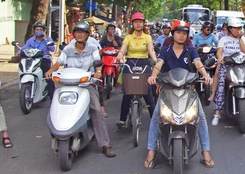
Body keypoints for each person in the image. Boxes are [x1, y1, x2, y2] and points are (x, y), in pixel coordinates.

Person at [144, 24, 214, 168]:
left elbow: (198, 63)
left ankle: (205, 151)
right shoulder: (166, 50)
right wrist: (153, 76)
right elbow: (158, 63)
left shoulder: (191, 50)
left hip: (188, 89)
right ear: (173, 34)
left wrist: (206, 75)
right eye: (179, 33)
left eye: (184, 33)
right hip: (167, 89)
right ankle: (151, 151)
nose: (181, 36)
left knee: (200, 117)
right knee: (156, 116)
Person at [45, 21, 116, 157]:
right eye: (77, 32)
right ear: (74, 34)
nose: (79, 34)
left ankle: (105, 144)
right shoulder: (69, 48)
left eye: (82, 32)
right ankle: (58, 131)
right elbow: (59, 62)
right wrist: (50, 71)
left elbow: (97, 62)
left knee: (96, 109)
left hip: (86, 83)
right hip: (67, 83)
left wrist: (98, 71)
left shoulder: (92, 47)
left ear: (87, 35)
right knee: (55, 105)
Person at [211, 17, 245, 125]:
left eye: (239, 28)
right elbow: (220, 51)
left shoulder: (244, 39)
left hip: (243, 66)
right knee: (221, 87)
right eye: (235, 28)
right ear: (230, 28)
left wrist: (240, 39)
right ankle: (217, 114)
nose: (238, 30)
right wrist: (219, 57)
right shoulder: (223, 39)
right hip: (227, 66)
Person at [116, 12, 157, 129]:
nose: (138, 24)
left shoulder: (147, 37)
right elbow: (123, 50)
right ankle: (122, 119)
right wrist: (119, 57)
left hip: (144, 63)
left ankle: (154, 121)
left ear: (143, 24)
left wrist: (155, 61)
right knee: (127, 93)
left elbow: (150, 50)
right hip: (130, 63)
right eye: (136, 22)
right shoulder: (128, 37)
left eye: (140, 22)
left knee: (147, 93)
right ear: (132, 24)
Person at [19, 21, 56, 101]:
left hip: (44, 60)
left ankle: (52, 97)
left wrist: (46, 40)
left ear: (43, 31)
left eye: (40, 29)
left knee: (48, 77)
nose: (38, 31)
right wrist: (19, 52)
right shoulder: (31, 40)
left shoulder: (48, 39)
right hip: (32, 60)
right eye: (37, 29)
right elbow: (24, 48)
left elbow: (52, 49)